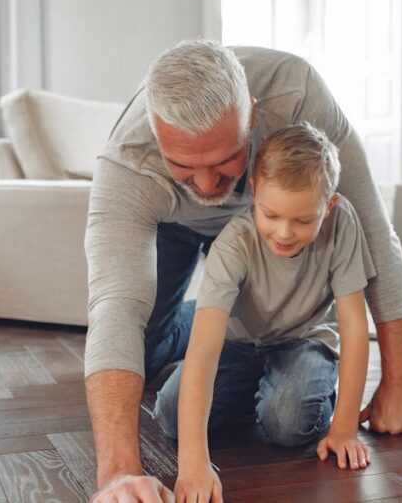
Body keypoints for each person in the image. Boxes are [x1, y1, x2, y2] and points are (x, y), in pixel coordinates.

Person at [85, 40, 402, 503]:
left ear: (254, 116)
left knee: (286, 412)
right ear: (158, 139)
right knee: (142, 351)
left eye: (223, 160)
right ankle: (202, 316)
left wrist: (400, 381)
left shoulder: (297, 95)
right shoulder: (128, 163)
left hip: (263, 224)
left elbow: (374, 231)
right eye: (183, 165)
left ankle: (238, 326)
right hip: (176, 227)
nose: (206, 185)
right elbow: (115, 306)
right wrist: (119, 472)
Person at [156, 124, 373, 502]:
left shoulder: (343, 223)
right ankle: (256, 391)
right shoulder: (233, 244)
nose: (284, 233)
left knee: (287, 426)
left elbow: (355, 327)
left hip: (304, 341)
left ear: (329, 205)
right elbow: (205, 349)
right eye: (271, 215)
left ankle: (304, 393)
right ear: (254, 189)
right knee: (172, 416)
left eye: (304, 220)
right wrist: (193, 463)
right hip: (239, 343)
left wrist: (345, 426)